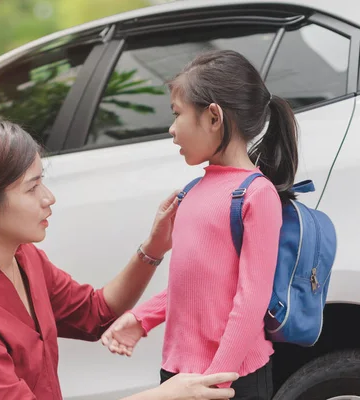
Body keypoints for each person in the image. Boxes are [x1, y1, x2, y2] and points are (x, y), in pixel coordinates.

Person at [0, 116, 238, 400]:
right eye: (32, 187)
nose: (48, 198)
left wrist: (154, 247)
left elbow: (95, 313)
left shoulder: (23, 258)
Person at [101, 49, 300, 400]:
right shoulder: (193, 190)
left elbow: (251, 299)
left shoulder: (256, 194)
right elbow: (195, 283)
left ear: (213, 118)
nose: (172, 128)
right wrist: (142, 317)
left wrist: (217, 380)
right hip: (178, 375)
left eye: (178, 114)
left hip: (230, 378)